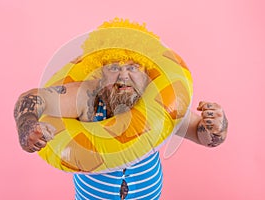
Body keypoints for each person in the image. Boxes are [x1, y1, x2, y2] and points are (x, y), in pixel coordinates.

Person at [14, 18, 228, 199]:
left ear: (146, 71)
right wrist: (27, 125)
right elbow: (33, 98)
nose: (124, 76)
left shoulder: (159, 105)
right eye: (114, 67)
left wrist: (217, 127)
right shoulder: (88, 98)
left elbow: (204, 137)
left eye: (133, 67)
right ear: (100, 71)